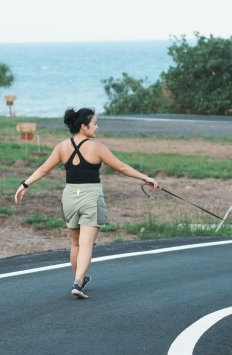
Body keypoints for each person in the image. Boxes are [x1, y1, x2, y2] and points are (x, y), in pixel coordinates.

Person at [14, 107, 158, 298]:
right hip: (90, 196)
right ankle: (78, 282)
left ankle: (79, 279)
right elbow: (121, 167)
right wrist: (145, 178)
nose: (97, 127)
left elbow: (43, 169)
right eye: (95, 123)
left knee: (76, 244)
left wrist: (24, 184)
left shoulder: (62, 146)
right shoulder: (96, 147)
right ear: (83, 127)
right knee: (87, 243)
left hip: (70, 197)